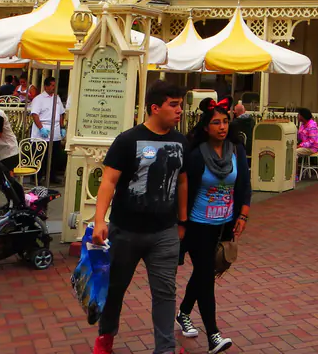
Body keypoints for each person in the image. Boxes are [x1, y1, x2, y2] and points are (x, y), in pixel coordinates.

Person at [91, 81, 188, 354]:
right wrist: (100, 221)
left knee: (165, 293)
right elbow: (108, 181)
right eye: (173, 104)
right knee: (115, 289)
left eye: (181, 104)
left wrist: (182, 222)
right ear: (155, 108)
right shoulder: (128, 140)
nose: (179, 110)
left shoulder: (181, 141)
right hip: (126, 231)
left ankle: (165, 348)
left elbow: (182, 182)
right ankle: (105, 337)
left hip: (164, 233)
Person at [177, 100, 250, 353]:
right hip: (199, 225)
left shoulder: (236, 149)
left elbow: (244, 185)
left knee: (203, 274)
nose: (222, 127)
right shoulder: (196, 154)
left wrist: (243, 216)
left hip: (225, 224)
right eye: (216, 122)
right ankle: (214, 336)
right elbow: (183, 189)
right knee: (206, 276)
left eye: (225, 121)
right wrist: (182, 222)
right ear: (206, 127)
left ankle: (184, 312)